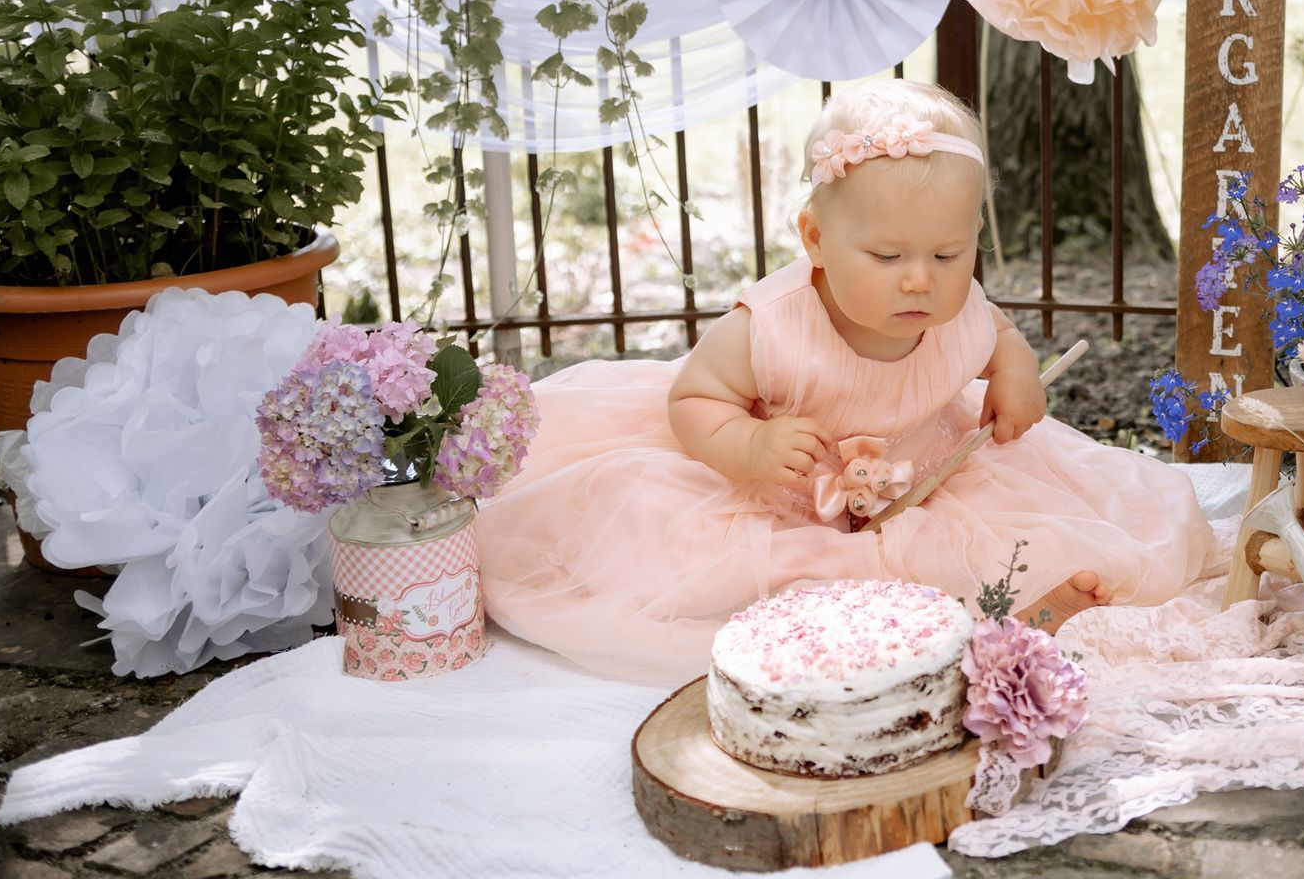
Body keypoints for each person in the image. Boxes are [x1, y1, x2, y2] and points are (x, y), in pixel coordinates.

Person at [476, 79, 1219, 682]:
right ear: (816, 239)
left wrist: (1017, 375)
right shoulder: (771, 327)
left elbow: (998, 336)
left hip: (930, 471)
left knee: (1005, 533)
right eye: (889, 257)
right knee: (713, 568)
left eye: (949, 254)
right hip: (784, 487)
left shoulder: (958, 311)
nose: (921, 282)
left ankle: (1020, 605)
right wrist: (748, 445)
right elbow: (693, 400)